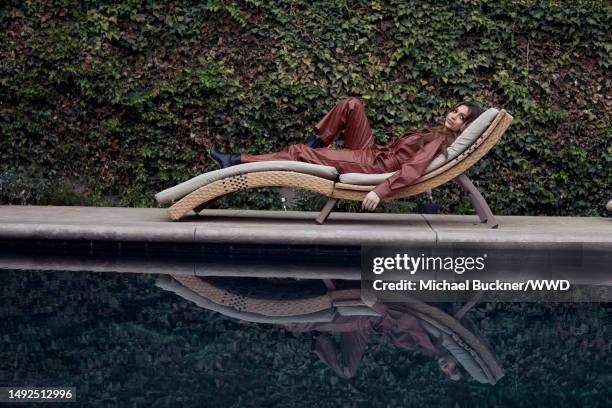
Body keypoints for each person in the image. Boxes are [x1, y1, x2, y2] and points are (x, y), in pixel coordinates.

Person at [210, 97, 483, 210]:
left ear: (465, 127)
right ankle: (314, 145)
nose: (454, 116)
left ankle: (235, 160)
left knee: (298, 151)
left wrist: (380, 191)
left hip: (372, 167)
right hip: (374, 154)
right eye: (455, 110)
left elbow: (411, 171)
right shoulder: (437, 132)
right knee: (352, 105)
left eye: (461, 118)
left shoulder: (439, 141)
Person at [282, 302, 462, 381]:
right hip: (373, 316)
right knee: (297, 324)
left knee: (347, 371)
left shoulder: (426, 349)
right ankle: (289, 318)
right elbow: (404, 317)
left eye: (446, 372)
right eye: (454, 368)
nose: (446, 367)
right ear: (459, 360)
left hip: (368, 326)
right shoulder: (439, 339)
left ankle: (317, 339)